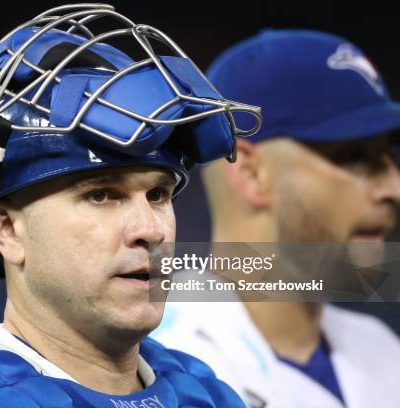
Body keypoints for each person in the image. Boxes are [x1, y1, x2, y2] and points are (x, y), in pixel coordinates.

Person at [0, 4, 262, 408]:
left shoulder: (214, 394)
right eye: (101, 195)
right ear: (8, 230)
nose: (150, 229)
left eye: (158, 194)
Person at [152, 29, 400, 408]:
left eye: (388, 157)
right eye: (354, 156)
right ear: (252, 174)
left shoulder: (382, 348)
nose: (393, 188)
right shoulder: (153, 366)